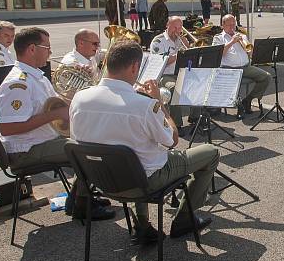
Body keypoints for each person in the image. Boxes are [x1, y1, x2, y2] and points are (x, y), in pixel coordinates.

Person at [70, 41, 219, 243]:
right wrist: (159, 104)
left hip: (102, 180)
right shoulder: (145, 106)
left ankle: (142, 225)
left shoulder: (79, 98)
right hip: (143, 181)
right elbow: (172, 140)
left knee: (134, 153)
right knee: (210, 152)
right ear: (134, 67)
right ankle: (184, 218)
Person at [0, 27, 114, 220]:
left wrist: (82, 86)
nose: (50, 52)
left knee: (94, 138)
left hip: (41, 140)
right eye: (47, 47)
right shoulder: (17, 83)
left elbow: (56, 103)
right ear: (32, 49)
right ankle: (82, 204)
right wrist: (54, 115)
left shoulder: (36, 76)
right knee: (89, 149)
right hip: (26, 150)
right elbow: (8, 128)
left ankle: (79, 198)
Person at [212, 14, 271, 115]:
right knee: (235, 84)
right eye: (229, 25)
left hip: (245, 67)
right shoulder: (218, 38)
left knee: (266, 77)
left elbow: (251, 53)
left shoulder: (242, 36)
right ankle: (237, 104)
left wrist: (250, 50)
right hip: (228, 69)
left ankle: (248, 100)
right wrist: (231, 42)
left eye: (233, 25)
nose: (232, 27)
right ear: (223, 25)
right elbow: (218, 54)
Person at [150, 16, 190, 127]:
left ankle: (195, 118)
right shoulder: (158, 41)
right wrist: (178, 55)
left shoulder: (180, 40)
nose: (177, 31)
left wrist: (188, 47)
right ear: (167, 25)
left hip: (181, 72)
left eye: (180, 28)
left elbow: (190, 58)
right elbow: (159, 62)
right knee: (174, 88)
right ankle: (176, 125)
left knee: (199, 83)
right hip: (165, 75)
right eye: (175, 28)